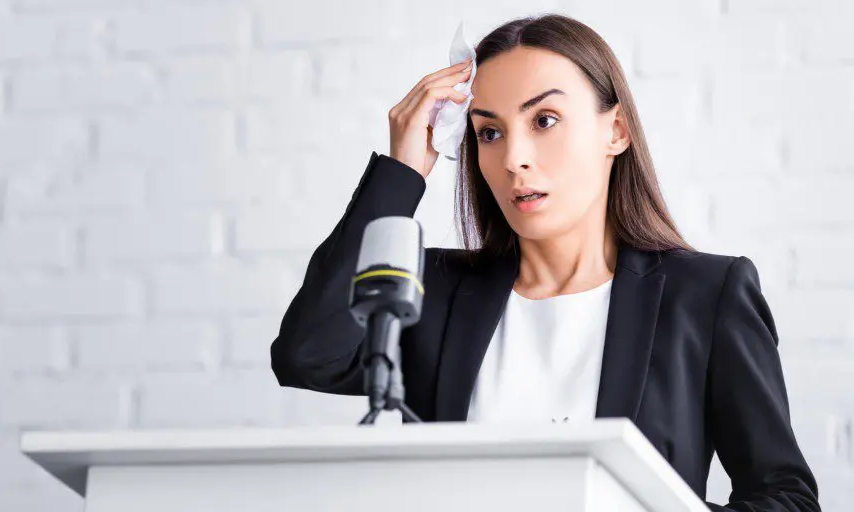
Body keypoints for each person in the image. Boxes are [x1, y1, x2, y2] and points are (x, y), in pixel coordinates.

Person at [269, 13, 819, 511]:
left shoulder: (705, 294)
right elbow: (308, 355)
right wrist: (402, 171)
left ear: (617, 131)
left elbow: (786, 498)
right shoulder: (432, 289)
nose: (514, 159)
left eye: (545, 120)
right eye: (489, 132)